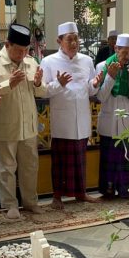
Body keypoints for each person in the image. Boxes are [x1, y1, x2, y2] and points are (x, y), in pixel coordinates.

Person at [0, 24, 47, 219]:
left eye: (26, 50)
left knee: (30, 166)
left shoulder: (30, 62)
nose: (22, 54)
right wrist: (9, 84)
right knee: (6, 168)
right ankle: (10, 205)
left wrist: (38, 83)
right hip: (3, 126)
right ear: (7, 44)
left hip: (28, 126)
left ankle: (30, 202)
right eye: (18, 50)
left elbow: (42, 91)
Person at [40, 21, 103, 209]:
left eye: (76, 39)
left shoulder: (86, 60)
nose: (74, 43)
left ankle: (81, 193)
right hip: (62, 120)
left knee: (80, 159)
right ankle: (57, 196)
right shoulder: (49, 61)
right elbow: (43, 91)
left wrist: (96, 83)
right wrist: (58, 83)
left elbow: (90, 91)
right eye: (69, 39)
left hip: (82, 118)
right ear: (59, 41)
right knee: (60, 161)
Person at [97, 33, 129, 198]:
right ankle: (108, 190)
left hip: (128, 122)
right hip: (109, 121)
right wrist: (110, 76)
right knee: (109, 160)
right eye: (124, 52)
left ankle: (126, 190)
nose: (128, 56)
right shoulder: (103, 66)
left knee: (127, 159)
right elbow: (101, 97)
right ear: (116, 49)